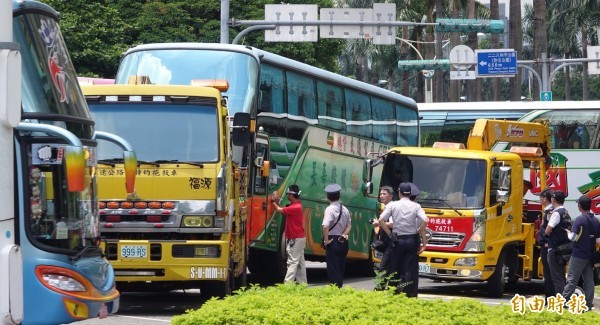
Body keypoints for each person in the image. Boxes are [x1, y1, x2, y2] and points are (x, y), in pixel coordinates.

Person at [378, 182, 428, 297]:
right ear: (410, 194)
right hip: (411, 239)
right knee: (410, 268)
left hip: (397, 239)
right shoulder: (416, 206)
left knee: (394, 267)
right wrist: (418, 232)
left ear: (399, 193)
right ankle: (409, 294)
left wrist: (390, 233)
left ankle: (394, 292)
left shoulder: (393, 205)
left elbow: (381, 220)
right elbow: (425, 220)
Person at [563, 195, 600, 309]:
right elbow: (598, 240)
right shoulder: (595, 220)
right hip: (590, 255)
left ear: (579, 206)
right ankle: (588, 303)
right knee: (589, 280)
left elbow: (573, 237)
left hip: (578, 254)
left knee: (572, 279)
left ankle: (564, 302)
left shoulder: (580, 219)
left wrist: (567, 232)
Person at [272, 184, 307, 284]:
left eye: (288, 194)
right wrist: (277, 203)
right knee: (300, 263)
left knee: (292, 262)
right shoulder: (296, 206)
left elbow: (279, 210)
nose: (287, 196)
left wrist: (273, 201)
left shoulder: (295, 207)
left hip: (296, 239)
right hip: (299, 238)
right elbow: (283, 211)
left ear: (291, 195)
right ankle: (302, 285)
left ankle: (287, 286)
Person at [322, 183, 351, 288]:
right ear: (339, 196)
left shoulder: (329, 209)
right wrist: (343, 235)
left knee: (333, 269)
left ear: (328, 197)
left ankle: (335, 292)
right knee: (340, 268)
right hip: (343, 241)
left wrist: (326, 240)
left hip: (332, 240)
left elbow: (325, 226)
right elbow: (349, 226)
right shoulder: (345, 209)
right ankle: (339, 288)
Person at [544, 190, 571, 295]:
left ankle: (562, 302)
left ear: (553, 199)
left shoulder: (556, 213)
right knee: (561, 275)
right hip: (564, 249)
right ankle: (565, 299)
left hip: (554, 249)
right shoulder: (565, 212)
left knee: (557, 277)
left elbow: (547, 230)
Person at [371, 186, 394, 290]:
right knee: (388, 265)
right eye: (380, 194)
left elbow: (393, 224)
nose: (381, 196)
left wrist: (379, 223)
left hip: (391, 241)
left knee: (384, 265)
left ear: (391, 196)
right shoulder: (385, 207)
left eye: (384, 194)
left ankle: (380, 287)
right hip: (387, 241)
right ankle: (387, 286)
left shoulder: (391, 207)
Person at [536, 188, 555, 298]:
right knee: (547, 273)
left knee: (549, 273)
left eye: (540, 197)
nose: (539, 199)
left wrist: (546, 242)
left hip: (547, 246)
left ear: (545, 199)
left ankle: (550, 298)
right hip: (546, 245)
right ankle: (549, 297)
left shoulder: (550, 211)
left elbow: (550, 229)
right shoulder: (548, 211)